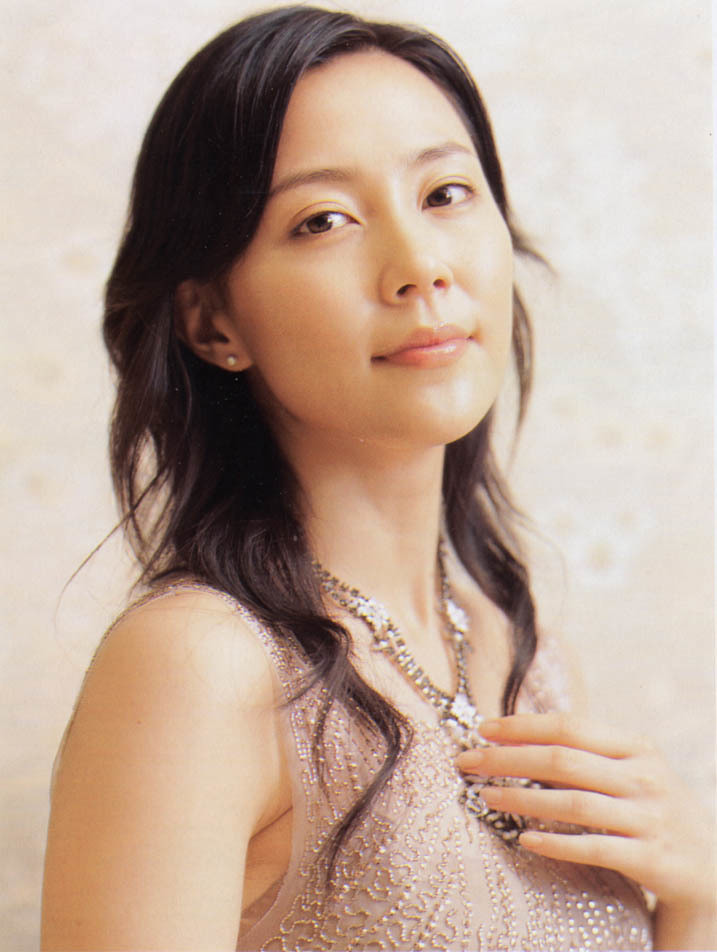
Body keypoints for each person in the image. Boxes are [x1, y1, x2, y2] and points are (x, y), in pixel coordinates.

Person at [41, 6, 714, 951]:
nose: (419, 265)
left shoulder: (524, 653)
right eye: (323, 220)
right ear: (212, 322)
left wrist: (696, 903)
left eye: (444, 193)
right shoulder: (200, 665)